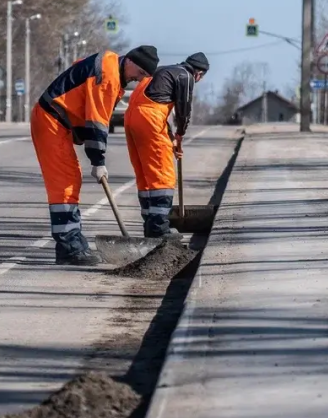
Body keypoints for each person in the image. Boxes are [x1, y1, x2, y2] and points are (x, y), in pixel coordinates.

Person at [31, 45, 160, 266]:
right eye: (139, 74)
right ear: (130, 61)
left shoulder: (111, 67)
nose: (139, 80)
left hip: (57, 122)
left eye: (143, 77)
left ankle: (73, 243)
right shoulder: (108, 77)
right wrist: (98, 161)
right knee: (65, 184)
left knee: (71, 180)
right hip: (51, 121)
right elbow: (97, 123)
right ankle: (69, 248)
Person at [124, 52, 209, 238]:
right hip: (150, 118)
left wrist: (171, 137)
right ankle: (159, 228)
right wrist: (180, 134)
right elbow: (184, 109)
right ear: (199, 73)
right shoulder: (186, 76)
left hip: (131, 118)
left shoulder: (164, 71)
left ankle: (149, 225)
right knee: (163, 176)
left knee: (146, 176)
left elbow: (156, 107)